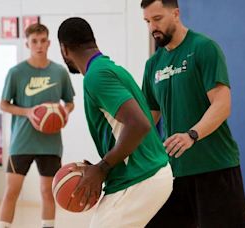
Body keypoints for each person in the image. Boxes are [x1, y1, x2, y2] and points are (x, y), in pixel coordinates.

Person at [140, 0, 245, 227]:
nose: (152, 27)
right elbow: (148, 117)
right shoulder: (153, 65)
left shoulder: (203, 48)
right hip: (173, 173)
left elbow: (222, 104)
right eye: (147, 21)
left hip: (214, 168)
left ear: (176, 14)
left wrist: (191, 135)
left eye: (157, 19)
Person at [57, 17, 173, 228]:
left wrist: (103, 167)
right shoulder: (109, 69)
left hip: (141, 177)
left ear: (64, 49)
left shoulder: (97, 76)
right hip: (147, 173)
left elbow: (139, 124)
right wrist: (101, 167)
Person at [0, 23, 75, 228]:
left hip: (50, 143)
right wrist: (28, 112)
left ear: (49, 43)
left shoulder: (59, 72)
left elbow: (70, 101)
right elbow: (4, 105)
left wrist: (64, 112)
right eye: (34, 41)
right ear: (27, 43)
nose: (39, 45)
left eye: (43, 41)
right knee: (11, 191)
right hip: (21, 142)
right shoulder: (16, 72)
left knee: (47, 191)